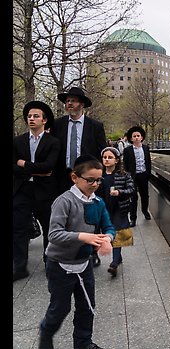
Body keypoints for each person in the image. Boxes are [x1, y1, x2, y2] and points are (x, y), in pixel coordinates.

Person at [38, 155, 114, 349]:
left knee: (87, 307)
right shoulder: (64, 201)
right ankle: (45, 333)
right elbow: (53, 234)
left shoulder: (98, 202)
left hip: (83, 264)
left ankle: (83, 343)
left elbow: (108, 226)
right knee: (60, 308)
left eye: (99, 180)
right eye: (90, 180)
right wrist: (84, 237)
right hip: (59, 265)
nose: (95, 184)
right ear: (75, 178)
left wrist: (107, 238)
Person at [50, 87, 107, 266]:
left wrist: (96, 178)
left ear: (81, 104)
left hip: (87, 179)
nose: (69, 103)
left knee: (89, 216)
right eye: (67, 101)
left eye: (73, 100)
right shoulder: (58, 125)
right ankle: (63, 250)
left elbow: (101, 153)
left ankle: (91, 250)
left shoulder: (95, 126)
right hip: (63, 176)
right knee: (66, 214)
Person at [13, 101, 61, 281]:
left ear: (44, 120)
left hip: (45, 192)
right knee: (18, 228)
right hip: (22, 190)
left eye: (36, 116)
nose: (31, 119)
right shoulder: (17, 141)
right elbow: (13, 167)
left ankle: (49, 262)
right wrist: (37, 169)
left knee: (49, 227)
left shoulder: (53, 142)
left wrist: (24, 164)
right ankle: (19, 267)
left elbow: (49, 166)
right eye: (29, 116)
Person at [97, 147, 135, 277]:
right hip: (104, 209)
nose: (107, 160)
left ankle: (114, 263)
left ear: (116, 160)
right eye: (105, 157)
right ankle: (117, 257)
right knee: (108, 233)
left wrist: (120, 193)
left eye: (110, 157)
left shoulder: (124, 175)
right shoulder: (99, 176)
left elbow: (131, 190)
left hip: (119, 208)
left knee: (118, 233)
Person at [123, 126, 152, 226]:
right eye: (134, 136)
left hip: (143, 175)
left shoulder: (146, 148)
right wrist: (127, 176)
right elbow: (125, 164)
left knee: (145, 196)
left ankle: (145, 211)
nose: (136, 137)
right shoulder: (127, 150)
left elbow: (148, 162)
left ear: (141, 137)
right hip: (132, 177)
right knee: (133, 197)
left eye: (138, 136)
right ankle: (133, 218)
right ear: (131, 138)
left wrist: (148, 174)